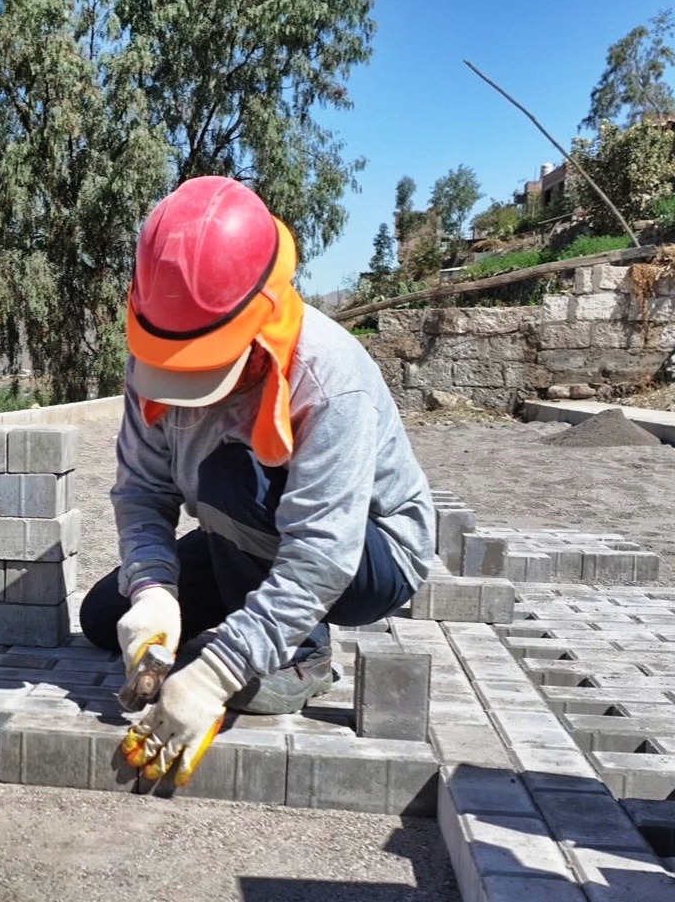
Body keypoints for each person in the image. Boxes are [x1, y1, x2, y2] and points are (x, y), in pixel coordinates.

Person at [80, 176, 436, 787]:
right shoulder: (155, 353)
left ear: (261, 314)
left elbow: (323, 550)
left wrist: (220, 670)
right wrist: (152, 591)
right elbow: (141, 490)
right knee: (103, 618)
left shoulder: (328, 379)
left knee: (225, 474)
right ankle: (241, 620)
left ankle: (304, 653)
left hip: (367, 555)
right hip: (242, 535)